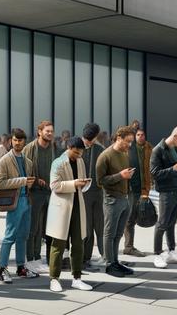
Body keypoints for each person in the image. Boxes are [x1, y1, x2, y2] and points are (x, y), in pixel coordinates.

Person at [46, 137, 93, 293]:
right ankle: (54, 278)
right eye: (76, 152)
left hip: (78, 205)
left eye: (81, 153)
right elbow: (54, 185)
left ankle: (77, 278)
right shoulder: (58, 163)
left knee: (79, 244)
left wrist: (85, 183)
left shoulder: (80, 161)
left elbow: (81, 184)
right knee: (58, 244)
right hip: (62, 208)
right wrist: (74, 184)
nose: (79, 155)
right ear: (69, 147)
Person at [0, 128, 37, 283]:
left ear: (24, 141)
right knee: (10, 235)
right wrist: (22, 180)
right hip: (14, 202)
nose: (18, 143)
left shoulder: (28, 162)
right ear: (11, 141)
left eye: (20, 140)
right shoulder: (4, 160)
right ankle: (2, 268)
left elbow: (29, 181)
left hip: (27, 201)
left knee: (23, 236)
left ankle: (21, 267)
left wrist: (29, 183)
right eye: (15, 140)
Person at [96, 125, 137, 276]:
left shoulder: (124, 153)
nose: (129, 145)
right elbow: (100, 181)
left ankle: (115, 262)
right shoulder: (105, 156)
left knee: (119, 233)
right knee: (109, 233)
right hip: (112, 200)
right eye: (127, 141)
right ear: (118, 138)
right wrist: (121, 175)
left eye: (131, 142)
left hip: (125, 198)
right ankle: (109, 264)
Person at [150, 126, 177, 269]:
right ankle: (157, 254)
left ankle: (172, 250)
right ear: (174, 137)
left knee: (172, 222)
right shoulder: (158, 150)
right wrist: (174, 169)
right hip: (166, 192)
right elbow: (154, 173)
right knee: (162, 223)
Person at [22, 120, 56, 274]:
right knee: (32, 228)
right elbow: (23, 170)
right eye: (47, 131)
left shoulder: (53, 148)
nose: (49, 133)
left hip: (49, 194)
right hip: (34, 194)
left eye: (51, 131)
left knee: (42, 228)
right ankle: (30, 259)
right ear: (39, 131)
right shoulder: (30, 148)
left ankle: (37, 258)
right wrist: (36, 180)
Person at [79, 124, 106, 268]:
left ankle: (105, 255)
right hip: (82, 193)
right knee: (86, 227)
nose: (88, 142)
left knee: (100, 226)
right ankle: (85, 257)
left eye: (90, 140)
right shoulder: (76, 148)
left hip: (98, 192)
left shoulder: (101, 150)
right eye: (86, 140)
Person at [124, 127, 152, 258]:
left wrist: (147, 187)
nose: (141, 136)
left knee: (135, 216)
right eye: (138, 135)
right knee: (130, 218)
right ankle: (128, 246)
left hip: (143, 187)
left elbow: (149, 169)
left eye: (142, 134)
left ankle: (129, 245)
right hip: (131, 188)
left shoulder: (148, 148)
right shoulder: (129, 149)